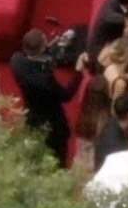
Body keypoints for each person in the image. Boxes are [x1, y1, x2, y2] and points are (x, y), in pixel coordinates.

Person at [9, 28, 84, 166]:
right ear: (42, 47)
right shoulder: (44, 80)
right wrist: (78, 71)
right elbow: (66, 95)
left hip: (32, 117)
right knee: (58, 159)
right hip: (52, 124)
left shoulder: (16, 61)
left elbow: (33, 57)